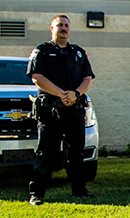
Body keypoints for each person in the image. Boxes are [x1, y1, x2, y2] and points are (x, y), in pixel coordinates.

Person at [27, 14, 96, 206]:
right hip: (51, 111)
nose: (64, 28)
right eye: (59, 25)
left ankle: (79, 190)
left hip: (74, 110)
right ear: (52, 29)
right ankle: (37, 193)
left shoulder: (78, 53)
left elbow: (87, 78)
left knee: (77, 152)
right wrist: (60, 94)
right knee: (46, 152)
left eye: (66, 25)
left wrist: (75, 93)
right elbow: (36, 77)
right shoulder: (42, 51)